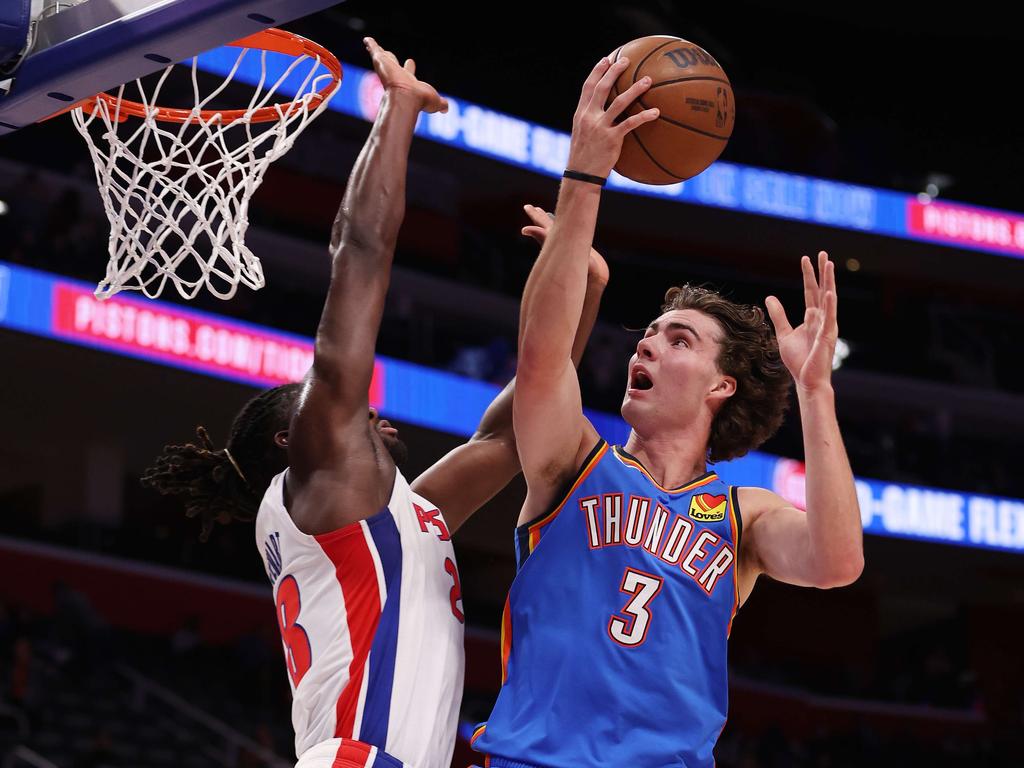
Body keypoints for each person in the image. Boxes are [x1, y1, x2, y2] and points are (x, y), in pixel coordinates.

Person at [142, 40, 608, 768]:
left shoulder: (395, 520)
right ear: (294, 439)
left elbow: (514, 434)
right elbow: (359, 250)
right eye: (350, 410)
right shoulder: (323, 465)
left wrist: (587, 287)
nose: (370, 412)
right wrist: (397, 111)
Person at [471, 54, 864, 768]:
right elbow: (541, 356)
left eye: (677, 339)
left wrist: (816, 392)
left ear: (722, 387)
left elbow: (836, 562)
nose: (646, 346)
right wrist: (585, 174)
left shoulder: (743, 515)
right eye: (647, 335)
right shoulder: (574, 462)